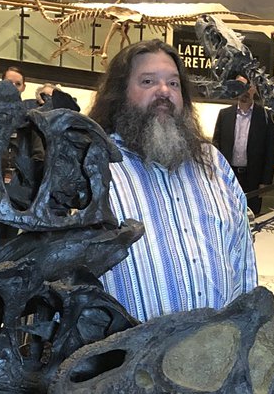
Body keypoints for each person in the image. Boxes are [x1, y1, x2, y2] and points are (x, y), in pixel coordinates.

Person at [87, 39, 257, 322]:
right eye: (148, 81)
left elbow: (243, 262)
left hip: (216, 355)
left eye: (174, 83)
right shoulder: (92, 167)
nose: (164, 91)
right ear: (119, 94)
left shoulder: (212, 163)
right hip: (124, 362)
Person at [211, 75, 274, 214]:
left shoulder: (265, 117)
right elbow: (216, 146)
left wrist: (266, 181)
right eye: (239, 87)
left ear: (254, 89)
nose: (243, 92)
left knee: (252, 214)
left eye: (247, 87)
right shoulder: (225, 115)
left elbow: (270, 151)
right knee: (228, 212)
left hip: (253, 177)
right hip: (229, 175)